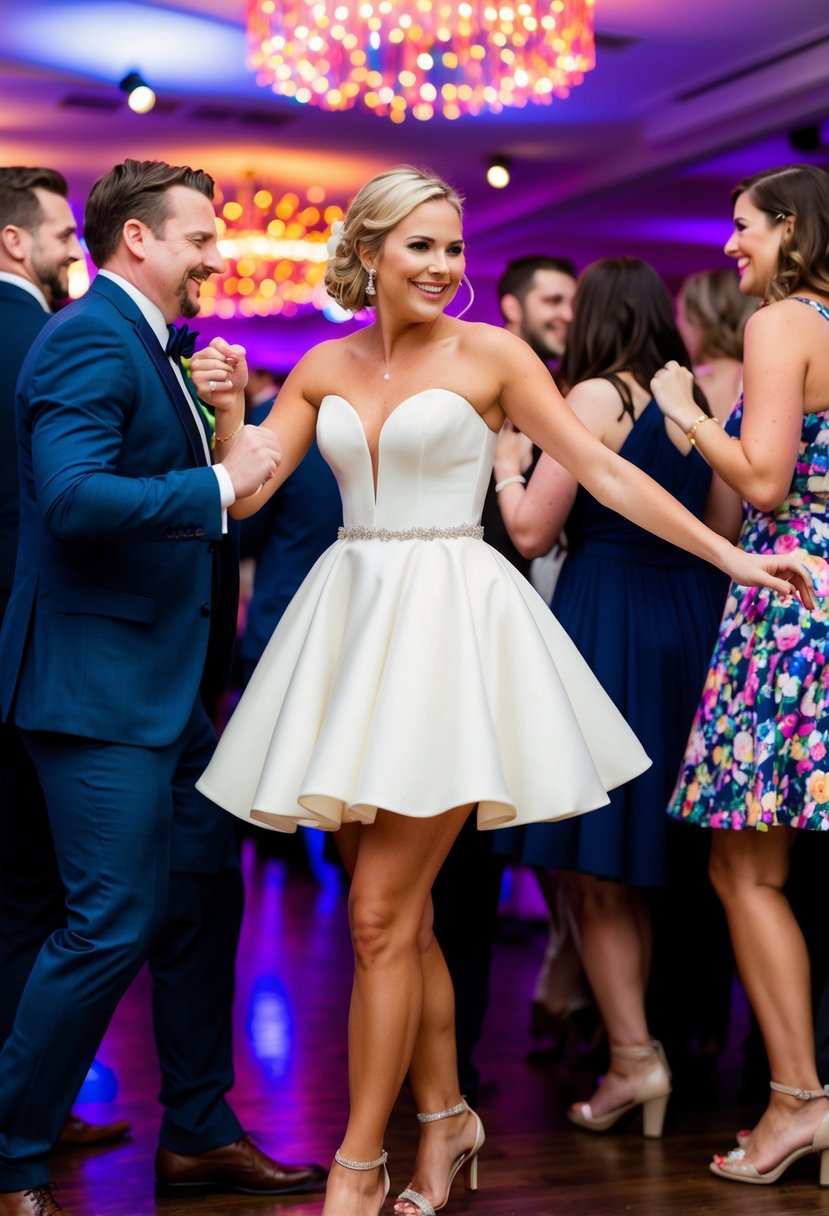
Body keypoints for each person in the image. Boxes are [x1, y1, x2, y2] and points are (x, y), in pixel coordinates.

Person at [194, 165, 814, 1216]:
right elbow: (243, 494)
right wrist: (220, 416)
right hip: (348, 639)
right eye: (420, 245)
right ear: (369, 250)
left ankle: (358, 1165)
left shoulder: (493, 354)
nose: (443, 265)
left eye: (452, 246)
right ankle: (447, 1125)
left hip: (451, 637)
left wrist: (730, 556)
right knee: (394, 918)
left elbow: (603, 472)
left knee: (385, 914)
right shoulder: (318, 368)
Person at [0, 158, 325, 1216]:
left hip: (169, 690)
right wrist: (218, 481)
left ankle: (198, 1127)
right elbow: (74, 497)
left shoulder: (150, 346)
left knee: (199, 900)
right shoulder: (87, 336)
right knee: (110, 920)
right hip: (97, 690)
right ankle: (10, 1151)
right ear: (136, 239)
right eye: (199, 238)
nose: (216, 257)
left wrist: (221, 427)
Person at [493, 255, 731, 1137]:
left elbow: (530, 529)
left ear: (591, 318)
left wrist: (509, 465)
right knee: (677, 850)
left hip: (612, 621)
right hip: (691, 614)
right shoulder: (691, 404)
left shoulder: (591, 398)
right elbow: (727, 525)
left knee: (595, 858)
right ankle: (679, 1043)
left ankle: (634, 1058)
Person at [649, 162, 829, 1186]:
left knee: (742, 865)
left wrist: (685, 411)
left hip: (787, 598)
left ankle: (797, 1101)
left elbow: (762, 480)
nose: (730, 246)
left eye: (744, 227)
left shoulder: (778, 322)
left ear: (791, 228)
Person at [0, 165, 132, 1152]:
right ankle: (21, 1113)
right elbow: (60, 501)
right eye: (60, 238)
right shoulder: (47, 335)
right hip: (45, 645)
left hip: (27, 646)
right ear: (15, 243)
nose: (70, 256)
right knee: (50, 898)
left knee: (23, 894)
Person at [675, 268, 757, 418]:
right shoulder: (758, 378)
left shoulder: (681, 386)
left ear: (702, 320)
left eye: (681, 314)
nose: (678, 325)